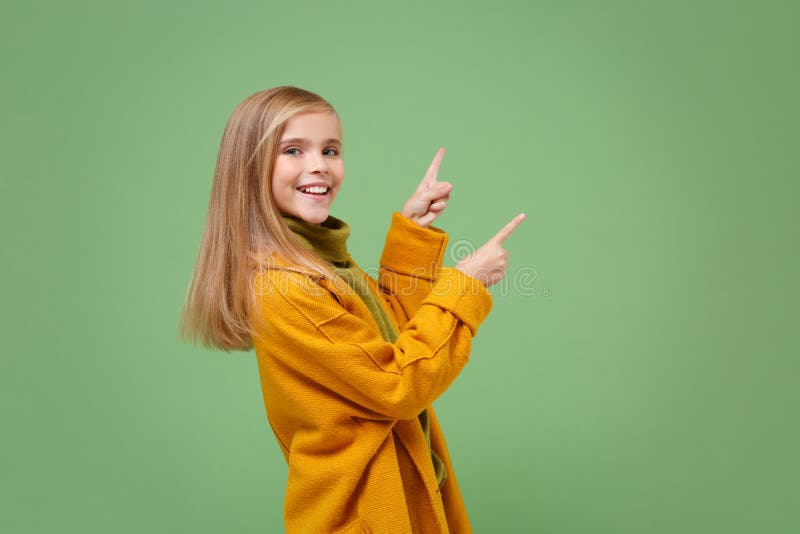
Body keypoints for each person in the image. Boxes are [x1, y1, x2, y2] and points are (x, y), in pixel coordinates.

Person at [179, 86, 525, 533]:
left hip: (398, 500)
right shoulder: (285, 285)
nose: (318, 164)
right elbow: (398, 385)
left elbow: (393, 344)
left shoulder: (318, 263)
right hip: (365, 516)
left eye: (330, 149)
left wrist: (414, 235)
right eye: (292, 150)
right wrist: (465, 285)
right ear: (249, 169)